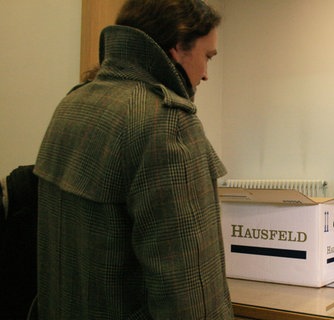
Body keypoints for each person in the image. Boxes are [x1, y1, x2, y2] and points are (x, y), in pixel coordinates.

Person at [34, 0, 233, 318]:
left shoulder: (72, 104)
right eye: (207, 56)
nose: (206, 74)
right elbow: (191, 297)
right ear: (178, 47)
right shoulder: (167, 123)